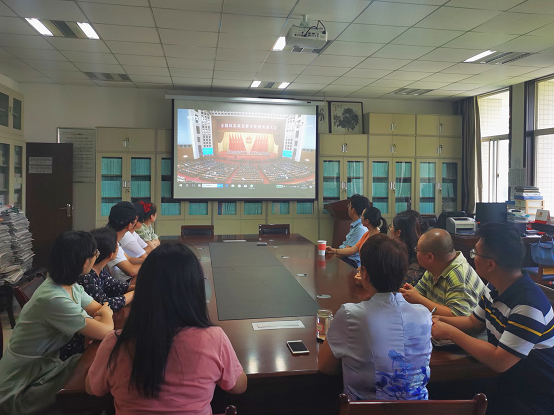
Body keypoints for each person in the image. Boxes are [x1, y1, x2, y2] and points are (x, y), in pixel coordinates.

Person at [86, 243, 247, 414]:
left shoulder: (115, 343)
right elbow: (238, 386)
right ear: (195, 289)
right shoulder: (214, 339)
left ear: (143, 289)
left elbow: (92, 388)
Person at [432, 223, 554, 415]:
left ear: (491, 264)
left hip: (532, 396)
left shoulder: (528, 305)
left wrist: (450, 332)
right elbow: (473, 323)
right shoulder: (495, 286)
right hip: (504, 382)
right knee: (438, 391)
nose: (472, 257)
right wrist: (436, 319)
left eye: (475, 253)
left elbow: (500, 361)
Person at [0, 231, 114, 415]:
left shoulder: (70, 286)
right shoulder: (54, 297)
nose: (96, 257)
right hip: (21, 384)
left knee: (96, 365)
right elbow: (105, 329)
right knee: (99, 371)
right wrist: (106, 314)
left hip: (45, 366)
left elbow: (97, 310)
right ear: (84, 262)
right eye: (95, 254)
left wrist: (101, 317)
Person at [319, 234, 432, 400]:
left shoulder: (351, 314)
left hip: (364, 410)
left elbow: (325, 367)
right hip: (420, 410)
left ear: (364, 273)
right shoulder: (424, 314)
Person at [400, 228, 485, 317]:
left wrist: (419, 299)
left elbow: (458, 316)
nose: (416, 253)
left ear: (430, 257)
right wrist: (409, 294)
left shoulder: (460, 278)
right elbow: (418, 293)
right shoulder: (434, 268)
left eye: (417, 250)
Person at [78, 227, 134, 312]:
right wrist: (134, 293)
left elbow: (115, 286)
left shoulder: (101, 270)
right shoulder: (86, 276)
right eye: (117, 245)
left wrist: (139, 287)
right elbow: (106, 305)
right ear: (110, 255)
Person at [106, 201, 144, 281]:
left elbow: (129, 259)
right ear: (130, 224)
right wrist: (151, 264)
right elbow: (131, 271)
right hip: (116, 284)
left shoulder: (110, 235)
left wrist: (152, 260)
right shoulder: (110, 241)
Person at [390, 212, 425, 285]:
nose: (390, 229)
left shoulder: (396, 253)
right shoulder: (419, 251)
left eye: (391, 227)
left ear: (398, 233)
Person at [336, 194, 369, 268]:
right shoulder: (356, 226)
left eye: (349, 206)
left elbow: (348, 251)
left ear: (353, 210)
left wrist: (332, 254)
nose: (348, 208)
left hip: (352, 263)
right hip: (346, 259)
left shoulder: (360, 229)